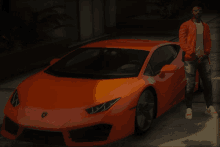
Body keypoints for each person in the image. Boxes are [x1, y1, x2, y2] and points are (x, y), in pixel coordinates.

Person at [179, 6, 218, 119]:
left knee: (208, 83)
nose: (198, 12)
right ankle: (189, 108)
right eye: (196, 10)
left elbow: (208, 41)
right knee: (190, 85)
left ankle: (209, 107)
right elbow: (182, 42)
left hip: (204, 58)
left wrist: (206, 53)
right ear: (192, 12)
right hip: (191, 59)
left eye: (200, 11)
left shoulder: (205, 26)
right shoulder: (185, 25)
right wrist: (193, 53)